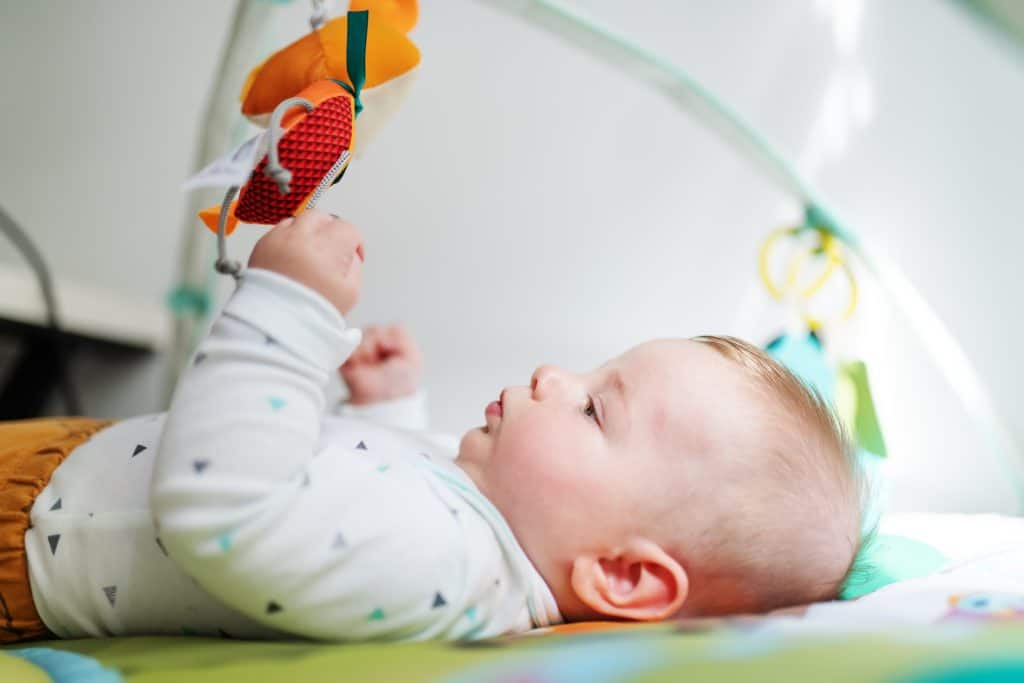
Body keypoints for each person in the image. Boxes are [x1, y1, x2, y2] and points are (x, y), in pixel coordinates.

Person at [0, 210, 863, 642]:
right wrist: (391, 410)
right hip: (65, 465)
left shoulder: (447, 561)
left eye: (595, 406)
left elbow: (229, 511)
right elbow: (368, 491)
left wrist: (286, 309)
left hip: (23, 529)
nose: (551, 376)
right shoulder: (475, 521)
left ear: (624, 576)